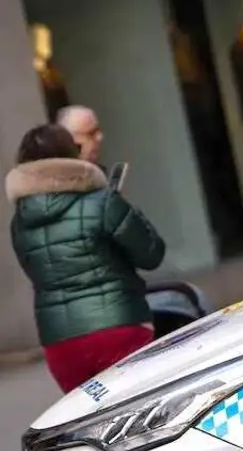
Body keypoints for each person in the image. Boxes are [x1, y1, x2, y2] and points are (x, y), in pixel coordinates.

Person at [6, 123, 166, 392]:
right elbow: (151, 254)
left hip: (60, 344)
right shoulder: (101, 202)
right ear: (71, 156)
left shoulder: (19, 222)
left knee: (91, 427)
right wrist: (125, 208)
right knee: (142, 416)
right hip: (118, 327)